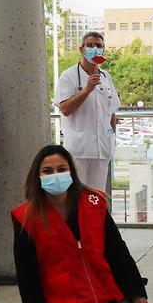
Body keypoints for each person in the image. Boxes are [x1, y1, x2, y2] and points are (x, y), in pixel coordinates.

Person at [12, 145, 153, 303]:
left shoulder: (94, 203)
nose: (55, 175)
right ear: (37, 177)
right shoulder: (26, 218)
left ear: (71, 172)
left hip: (106, 295)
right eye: (47, 171)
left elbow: (116, 250)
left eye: (61, 169)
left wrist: (135, 291)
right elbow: (28, 280)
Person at [57, 31, 121, 193]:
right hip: (79, 149)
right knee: (77, 196)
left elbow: (111, 110)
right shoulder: (69, 76)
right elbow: (65, 109)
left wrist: (112, 136)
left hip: (102, 148)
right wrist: (87, 90)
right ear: (82, 49)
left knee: (97, 196)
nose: (95, 49)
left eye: (99, 46)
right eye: (90, 45)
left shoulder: (106, 76)